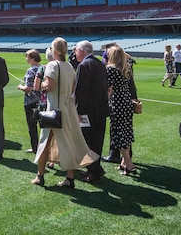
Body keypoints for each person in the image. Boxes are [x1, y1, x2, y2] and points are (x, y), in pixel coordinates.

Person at [32, 37, 100, 188]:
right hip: (68, 108)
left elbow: (49, 86)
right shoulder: (69, 66)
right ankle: (70, 178)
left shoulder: (52, 65)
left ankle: (40, 176)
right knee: (69, 142)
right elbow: (72, 88)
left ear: (54, 50)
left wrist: (42, 85)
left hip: (54, 109)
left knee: (44, 143)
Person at [73, 40, 109, 182]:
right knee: (97, 140)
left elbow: (81, 92)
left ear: (82, 51)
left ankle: (94, 170)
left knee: (89, 141)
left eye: (76, 50)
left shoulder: (84, 65)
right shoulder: (99, 63)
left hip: (88, 111)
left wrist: (78, 111)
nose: (75, 53)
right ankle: (95, 168)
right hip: (101, 109)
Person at [106, 45, 136, 175]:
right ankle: (124, 162)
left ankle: (129, 163)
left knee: (118, 133)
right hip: (126, 102)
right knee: (127, 131)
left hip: (117, 103)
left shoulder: (110, 70)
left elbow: (108, 89)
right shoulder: (126, 68)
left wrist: (105, 102)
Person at [18, 49, 43, 153]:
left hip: (31, 101)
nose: (26, 59)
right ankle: (43, 147)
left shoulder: (31, 71)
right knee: (43, 126)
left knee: (32, 126)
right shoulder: (43, 68)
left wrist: (20, 87)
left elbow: (28, 88)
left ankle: (35, 148)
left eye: (27, 57)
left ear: (32, 58)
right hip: (42, 100)